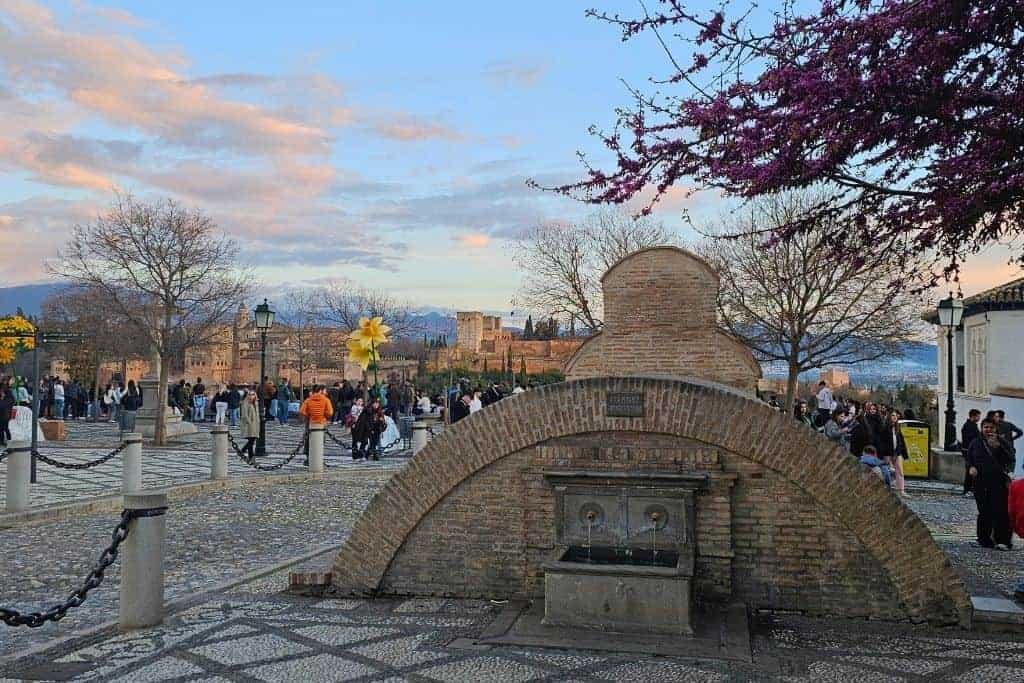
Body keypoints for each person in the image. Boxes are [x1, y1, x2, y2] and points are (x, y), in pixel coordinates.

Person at [966, 418, 1014, 550]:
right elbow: (969, 458)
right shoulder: (976, 442)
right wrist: (971, 467)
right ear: (982, 428)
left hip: (998, 481)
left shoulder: (1002, 442)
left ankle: (1003, 540)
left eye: (991, 428)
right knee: (983, 511)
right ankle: (984, 539)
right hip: (980, 482)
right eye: (985, 427)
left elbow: (1010, 459)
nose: (988, 430)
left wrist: (998, 448)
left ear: (996, 429)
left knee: (1000, 511)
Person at [877, 409, 909, 497]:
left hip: (896, 453)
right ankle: (886, 489)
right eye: (893, 415)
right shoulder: (885, 428)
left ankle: (901, 490)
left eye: (896, 416)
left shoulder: (898, 428)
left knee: (900, 472)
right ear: (889, 417)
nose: (895, 417)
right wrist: (884, 453)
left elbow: (901, 442)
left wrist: (904, 453)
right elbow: (881, 442)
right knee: (888, 472)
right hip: (887, 453)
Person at [961, 409, 982, 495]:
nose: (979, 418)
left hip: (969, 451)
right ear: (973, 416)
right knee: (970, 470)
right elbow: (972, 439)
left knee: (970, 470)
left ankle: (969, 488)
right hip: (969, 451)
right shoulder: (969, 426)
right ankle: (967, 489)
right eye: (978, 416)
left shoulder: (971, 425)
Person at [239, 391, 260, 463]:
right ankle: (251, 457)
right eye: (250, 394)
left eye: (253, 394)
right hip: (249, 426)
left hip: (255, 425)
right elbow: (244, 415)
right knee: (251, 441)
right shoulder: (246, 403)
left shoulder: (256, 403)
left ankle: (242, 452)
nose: (251, 396)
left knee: (251, 441)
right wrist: (249, 423)